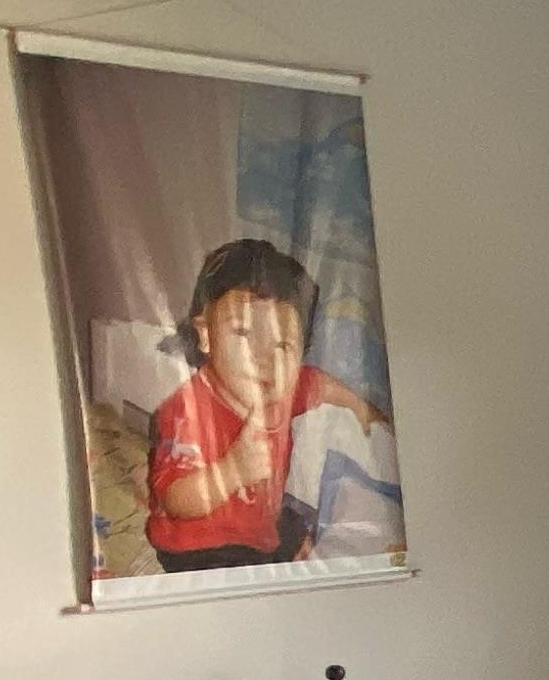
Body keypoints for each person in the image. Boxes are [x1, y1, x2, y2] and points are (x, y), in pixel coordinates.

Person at [144, 238, 382, 570]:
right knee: (245, 574)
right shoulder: (187, 411)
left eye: (282, 345)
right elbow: (175, 499)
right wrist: (233, 470)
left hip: (256, 524)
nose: (263, 358)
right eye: (243, 333)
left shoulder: (282, 388)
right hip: (198, 543)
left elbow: (318, 383)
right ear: (206, 335)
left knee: (294, 524)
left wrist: (360, 407)